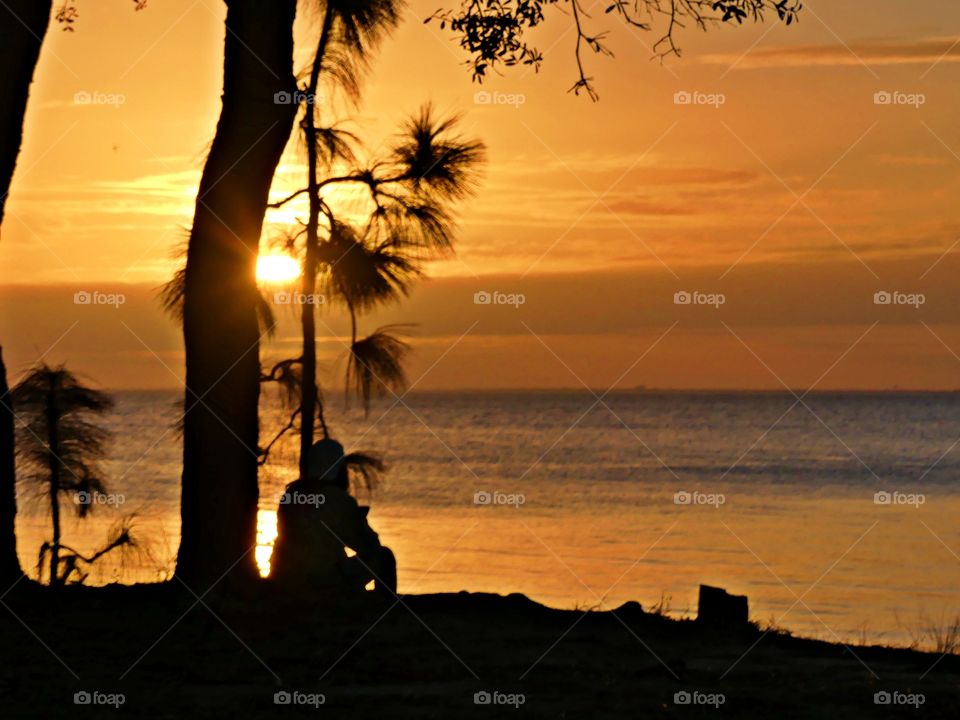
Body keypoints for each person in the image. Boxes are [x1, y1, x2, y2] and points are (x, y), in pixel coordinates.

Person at [271, 438, 397, 597]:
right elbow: (367, 544)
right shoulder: (336, 499)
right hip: (324, 582)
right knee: (383, 556)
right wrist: (357, 519)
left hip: (284, 578)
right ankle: (384, 606)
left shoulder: (290, 496)